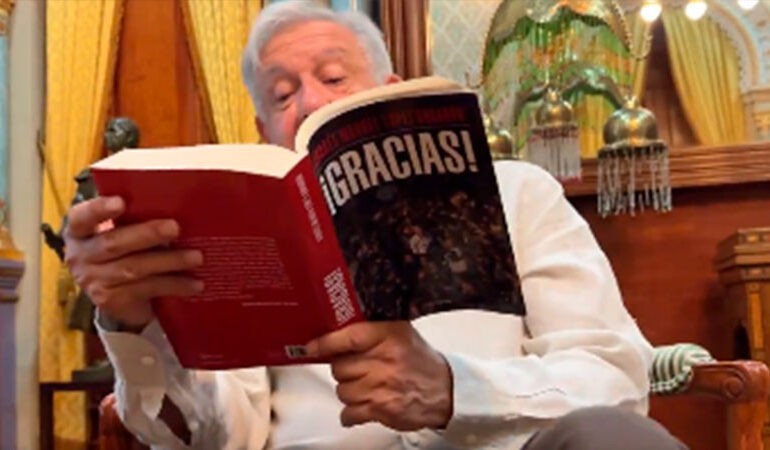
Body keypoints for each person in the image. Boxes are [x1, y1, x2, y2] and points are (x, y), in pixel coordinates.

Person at [63, 2, 687, 449]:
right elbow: (214, 434)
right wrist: (135, 324)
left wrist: (452, 389)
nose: (311, 103)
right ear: (263, 132)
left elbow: (615, 380)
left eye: (334, 78)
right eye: (282, 95)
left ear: (391, 93)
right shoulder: (244, 240)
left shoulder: (519, 193)